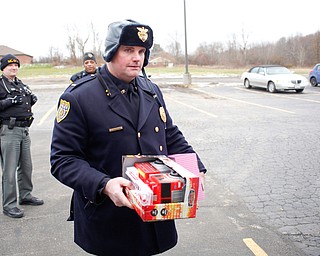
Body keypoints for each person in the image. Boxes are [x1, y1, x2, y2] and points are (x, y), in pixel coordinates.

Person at [50, 19, 206, 256]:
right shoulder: (79, 97)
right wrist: (104, 184)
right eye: (128, 50)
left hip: (155, 211)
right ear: (111, 51)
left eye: (142, 51)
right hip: (110, 216)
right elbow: (63, 160)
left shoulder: (150, 89)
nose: (137, 58)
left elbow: (170, 134)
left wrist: (195, 168)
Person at [0, 54, 44, 218]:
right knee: (9, 170)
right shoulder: (1, 84)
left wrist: (31, 100)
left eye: (16, 65)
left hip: (24, 130)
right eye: (10, 65)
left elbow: (24, 102)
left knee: (26, 166)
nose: (14, 68)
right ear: (3, 68)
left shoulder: (20, 84)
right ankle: (9, 205)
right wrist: (8, 101)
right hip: (9, 130)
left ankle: (25, 195)